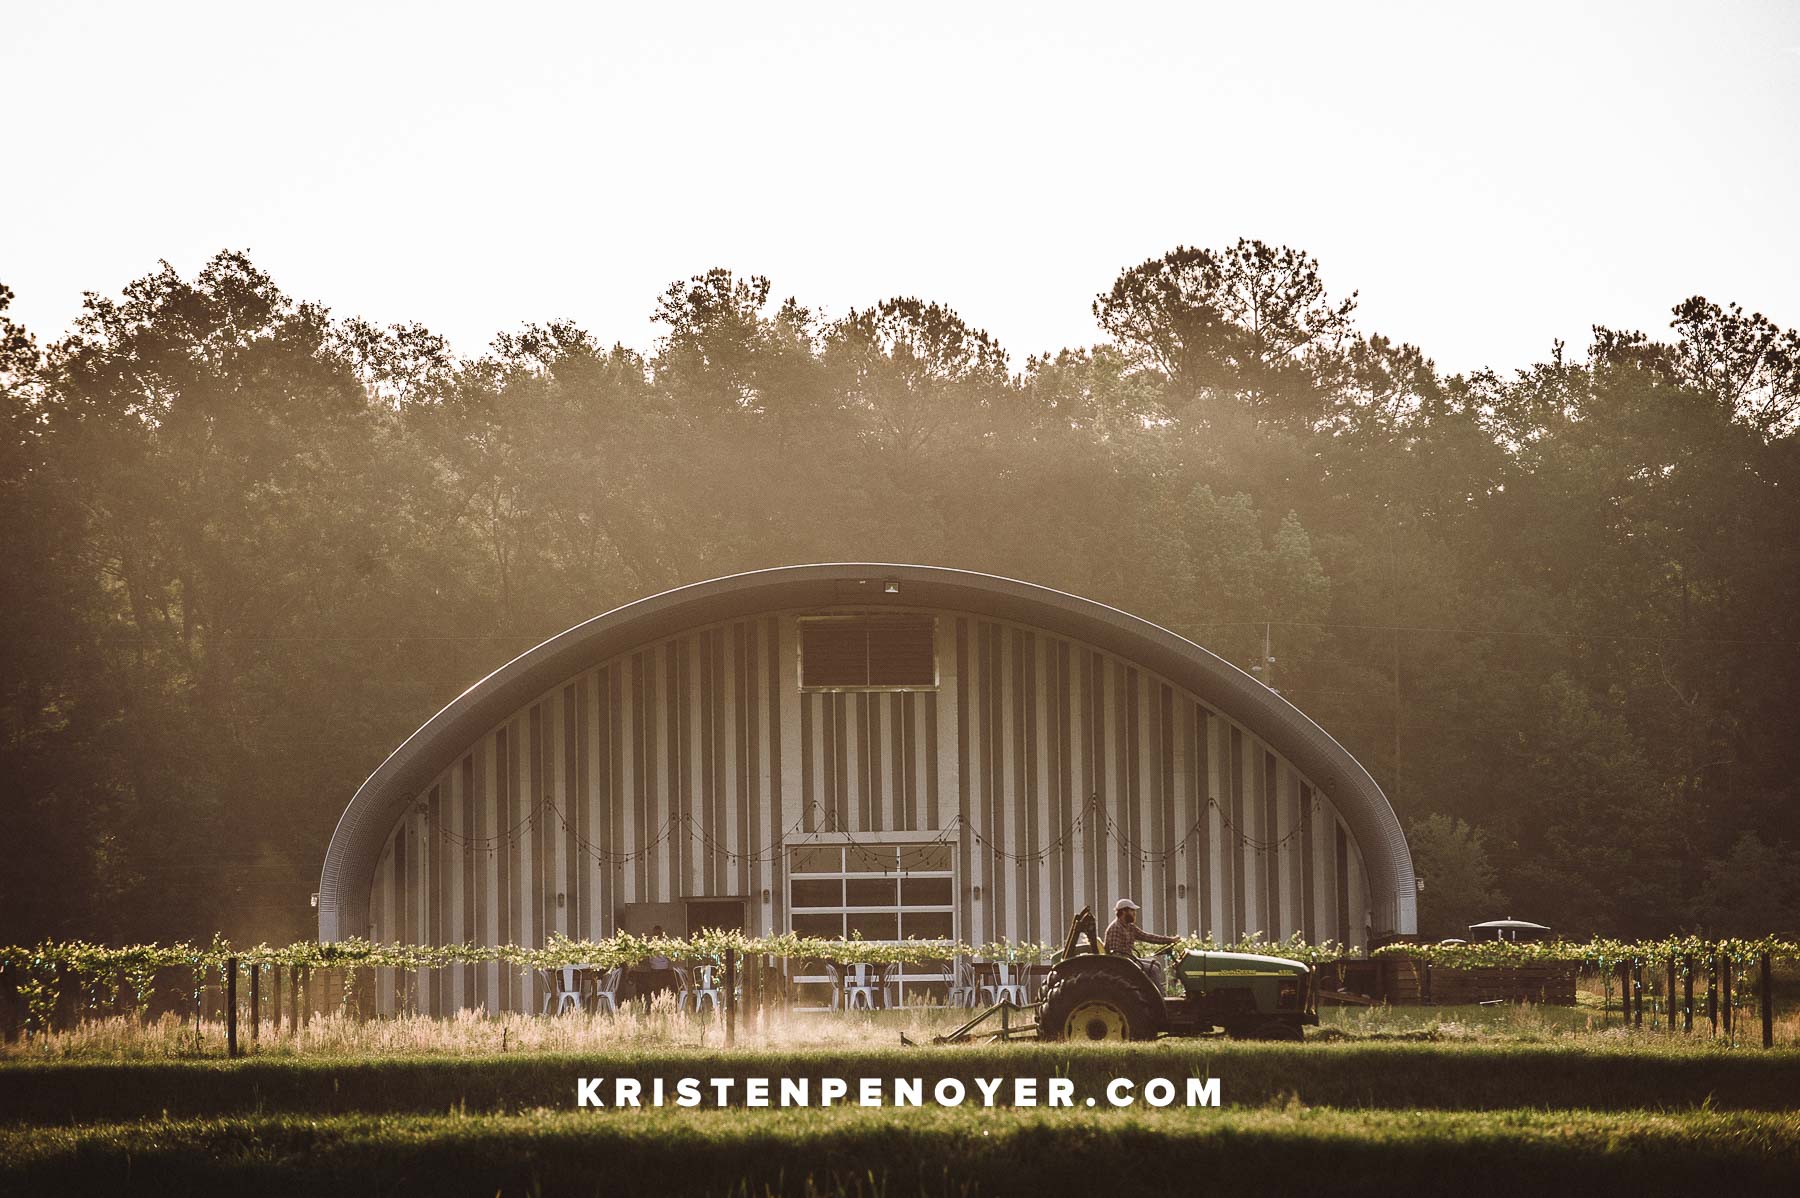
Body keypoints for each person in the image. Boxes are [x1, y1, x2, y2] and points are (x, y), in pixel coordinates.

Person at [1103, 898, 1177, 990]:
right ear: (1123, 911)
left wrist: (1170, 940)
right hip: (1122, 964)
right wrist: (1132, 961)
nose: (1134, 913)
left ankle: (1150, 992)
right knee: (1152, 969)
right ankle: (1160, 998)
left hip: (1129, 959)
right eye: (1132, 910)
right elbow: (1115, 955)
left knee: (1156, 964)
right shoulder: (1115, 928)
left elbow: (1147, 937)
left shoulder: (1130, 927)